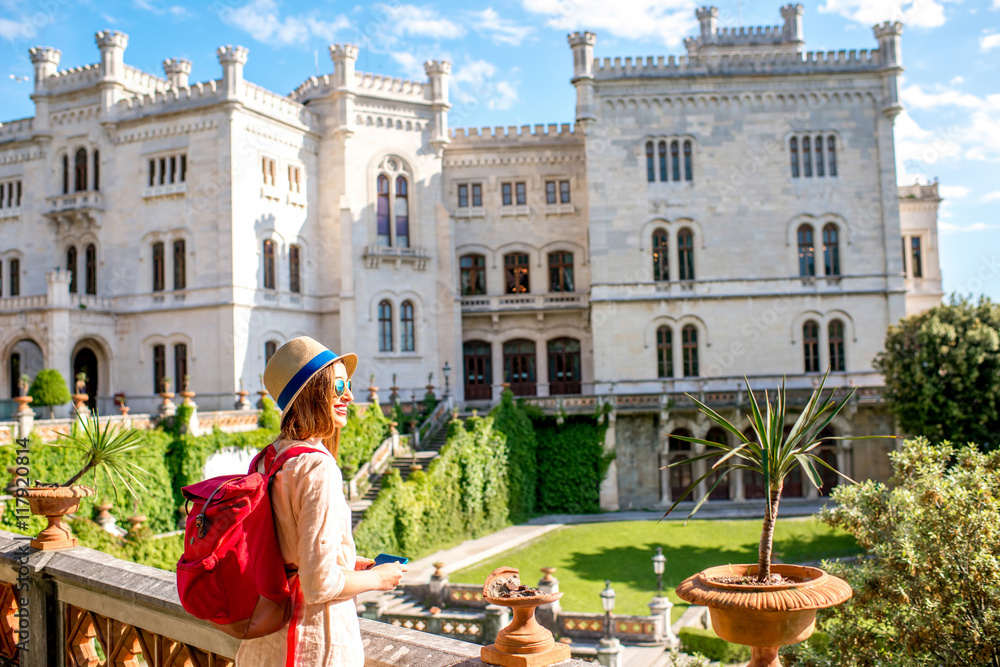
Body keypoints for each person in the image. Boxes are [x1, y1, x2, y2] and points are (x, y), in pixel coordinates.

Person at [237, 336, 407, 666]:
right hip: (309, 644)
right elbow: (320, 585)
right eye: (338, 384)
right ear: (312, 392)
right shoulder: (317, 467)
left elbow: (289, 552)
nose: (349, 395)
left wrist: (344, 560)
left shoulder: (268, 459)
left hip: (265, 638)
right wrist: (378, 579)